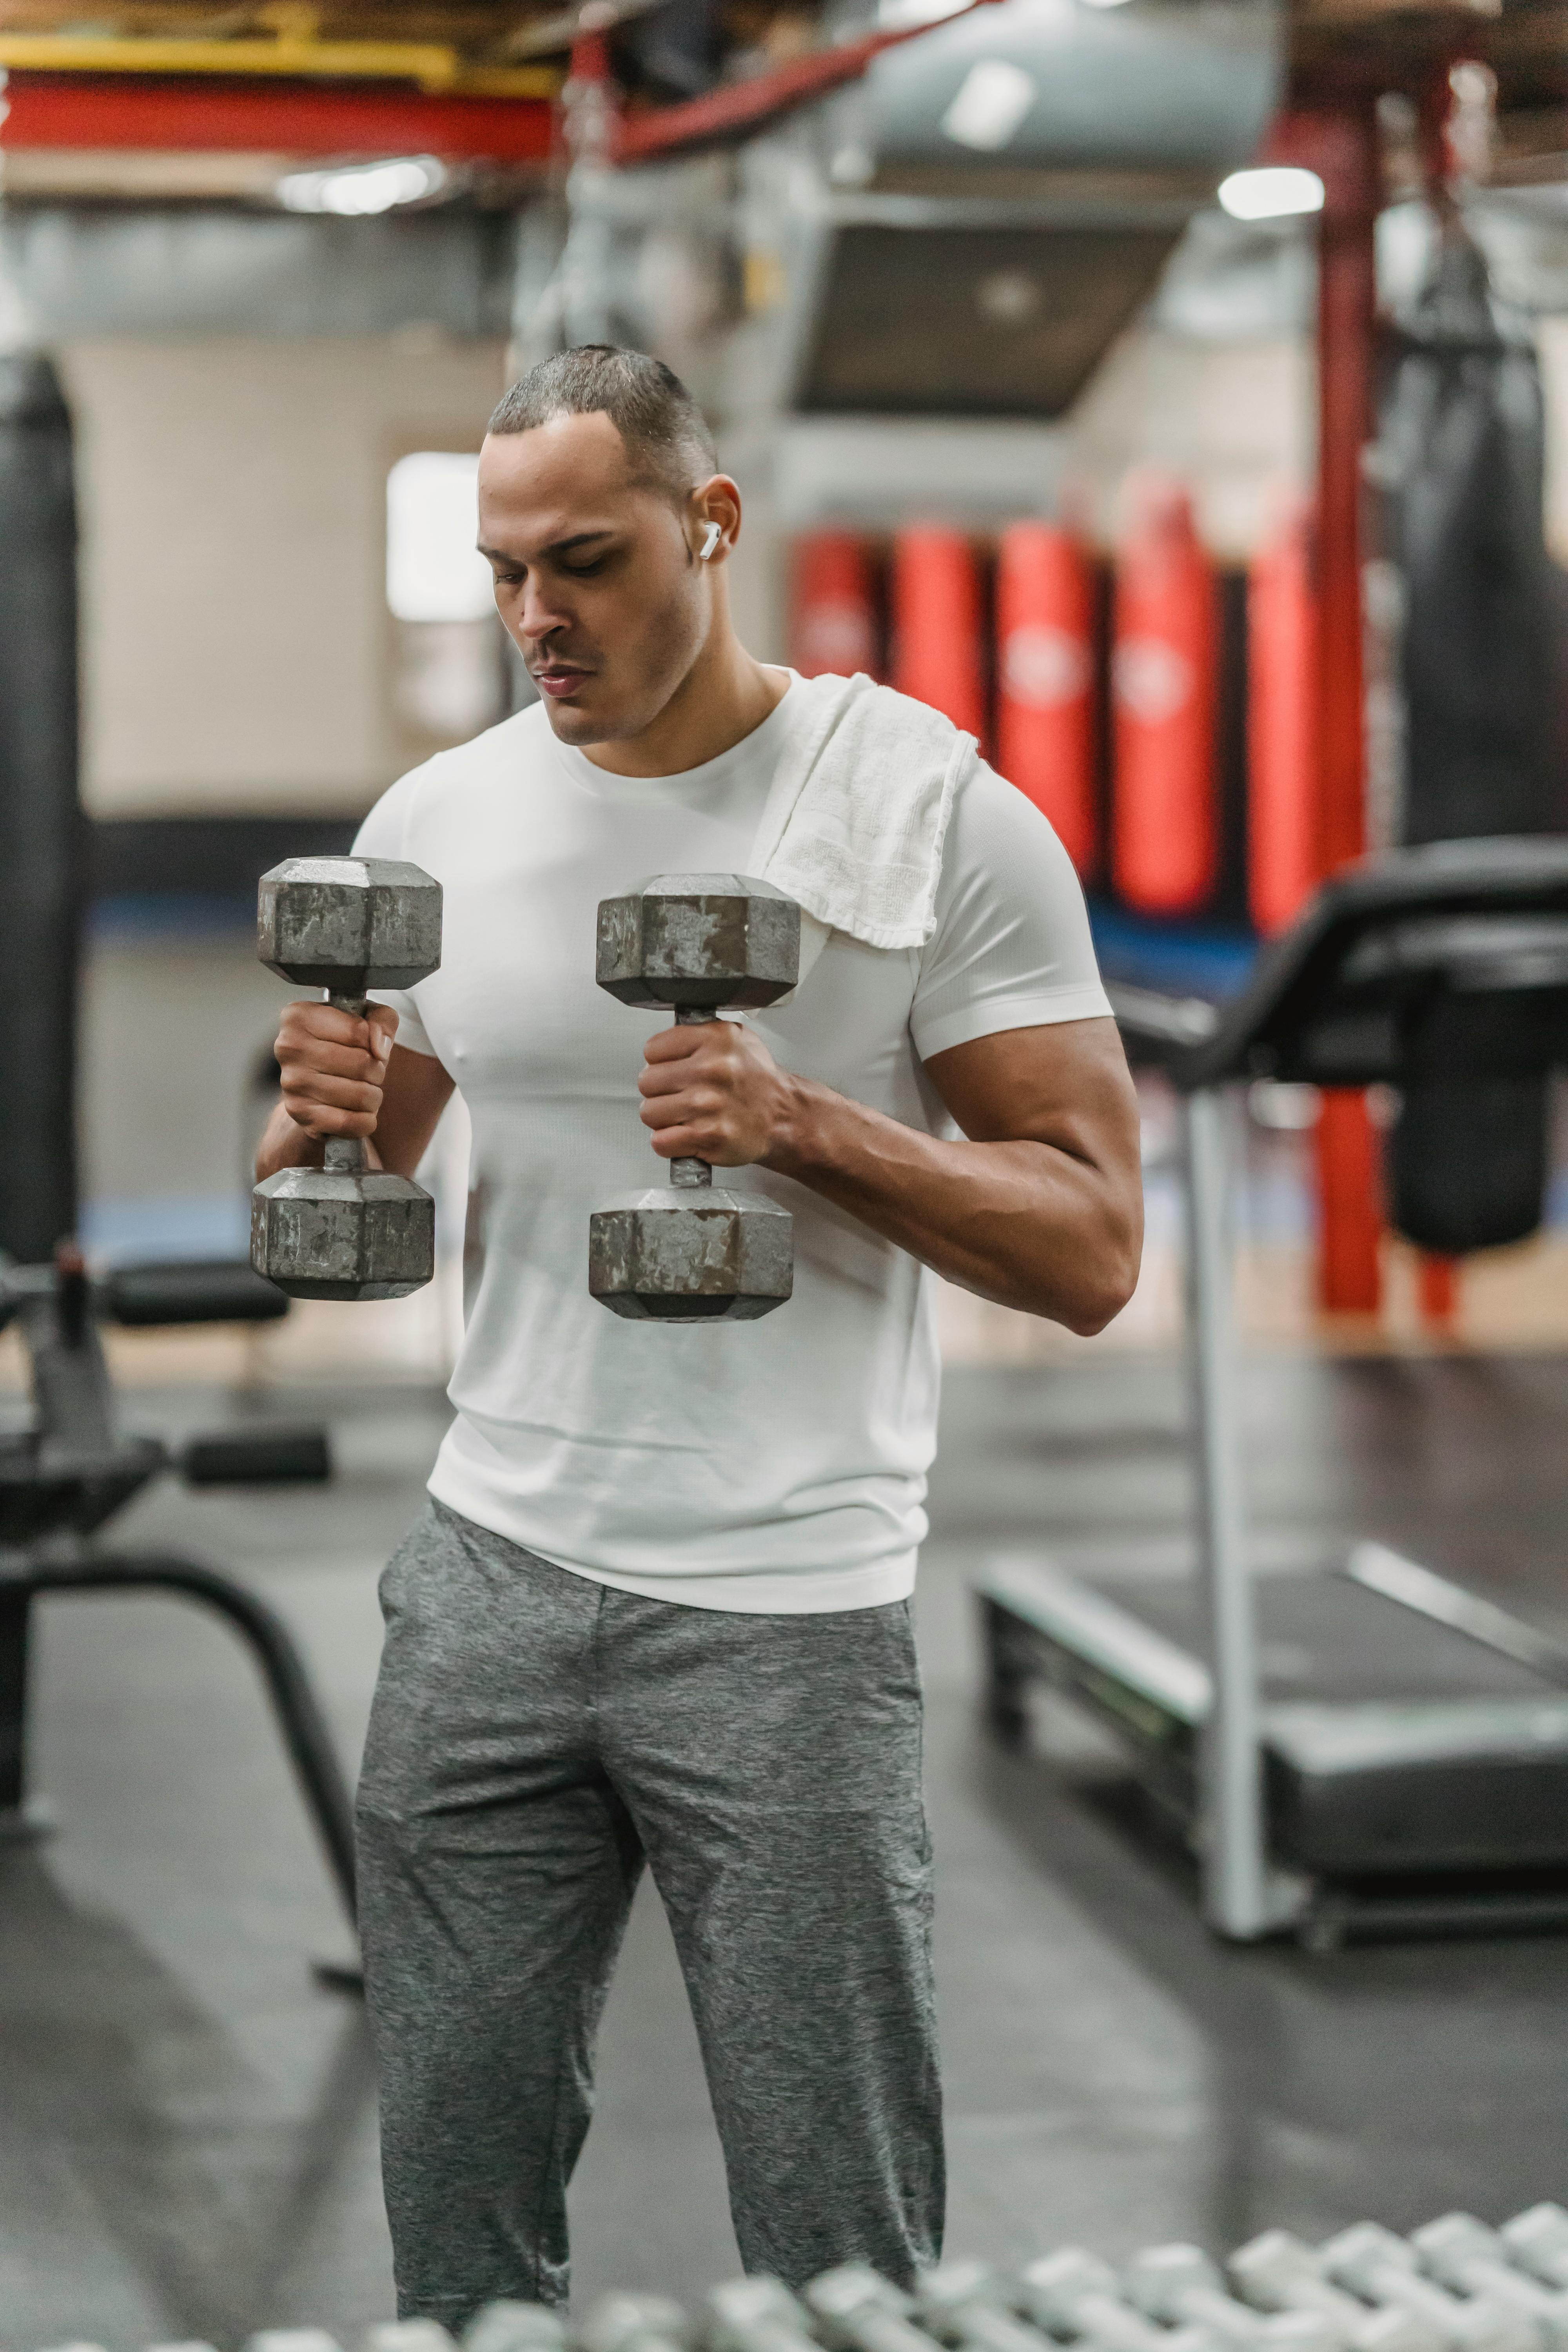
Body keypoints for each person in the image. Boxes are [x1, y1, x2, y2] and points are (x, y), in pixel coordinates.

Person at [256, 345, 1143, 2323]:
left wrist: (805, 1123)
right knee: (457, 2225)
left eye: (584, 559)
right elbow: (349, 1210)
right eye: (505, 572)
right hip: (486, 1575)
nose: (535, 619)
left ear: (710, 526)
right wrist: (320, 1095)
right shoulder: (440, 815)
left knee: (841, 2253)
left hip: (789, 1606)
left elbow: (1091, 1248)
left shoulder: (929, 821)